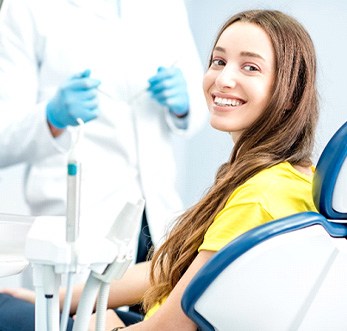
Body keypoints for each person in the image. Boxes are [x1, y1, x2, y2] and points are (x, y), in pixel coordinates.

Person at [0, 9, 319, 330]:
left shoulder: (259, 196)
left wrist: (107, 326)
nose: (222, 78)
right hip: (87, 211)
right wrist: (63, 300)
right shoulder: (289, 178)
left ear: (290, 91)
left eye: (250, 67)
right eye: (218, 62)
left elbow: (168, 326)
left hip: (151, 248)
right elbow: (171, 268)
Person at [0, 0, 207, 273]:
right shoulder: (27, 8)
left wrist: (185, 104)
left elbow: (200, 103)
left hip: (157, 219)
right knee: (79, 314)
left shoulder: (167, 6)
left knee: (153, 309)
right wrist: (51, 117)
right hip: (79, 221)